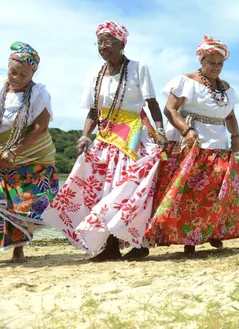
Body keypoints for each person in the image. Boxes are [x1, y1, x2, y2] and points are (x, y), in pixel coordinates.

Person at [43, 21, 166, 261]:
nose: (103, 46)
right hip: (106, 135)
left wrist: (160, 130)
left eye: (108, 41)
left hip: (132, 135)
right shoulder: (95, 75)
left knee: (127, 189)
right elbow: (92, 112)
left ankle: (138, 243)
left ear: (122, 43)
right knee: (102, 190)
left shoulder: (139, 69)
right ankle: (110, 247)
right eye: (99, 42)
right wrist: (84, 136)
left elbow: (152, 104)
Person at [145, 36, 239, 256]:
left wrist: (236, 135)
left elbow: (230, 116)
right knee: (191, 191)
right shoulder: (186, 81)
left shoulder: (227, 88)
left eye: (220, 63)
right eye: (211, 62)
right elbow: (170, 110)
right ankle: (188, 240)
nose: (216, 67)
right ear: (201, 60)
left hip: (219, 144)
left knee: (218, 190)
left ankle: (212, 232)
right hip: (193, 142)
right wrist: (186, 130)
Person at [0, 42, 58, 263]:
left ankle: (18, 248)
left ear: (32, 73)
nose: (16, 77)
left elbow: (40, 127)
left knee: (24, 203)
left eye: (22, 74)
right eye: (12, 72)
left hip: (29, 153)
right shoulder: (0, 89)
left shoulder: (38, 93)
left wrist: (14, 152)